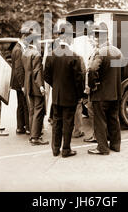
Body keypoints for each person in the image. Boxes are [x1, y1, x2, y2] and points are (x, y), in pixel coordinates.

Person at [44, 24, 85, 158]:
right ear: (67, 38)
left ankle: (55, 149)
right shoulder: (74, 57)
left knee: (57, 122)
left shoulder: (51, 55)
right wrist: (79, 95)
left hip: (56, 96)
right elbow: (79, 79)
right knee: (68, 123)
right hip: (70, 97)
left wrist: (56, 86)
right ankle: (66, 149)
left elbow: (47, 76)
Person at [87, 22, 123, 155]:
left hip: (101, 94)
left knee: (100, 121)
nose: (94, 40)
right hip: (115, 93)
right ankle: (115, 145)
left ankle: (102, 148)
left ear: (98, 37)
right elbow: (122, 70)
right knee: (114, 119)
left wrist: (92, 85)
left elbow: (91, 70)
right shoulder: (118, 51)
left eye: (94, 36)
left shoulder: (99, 52)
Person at [21, 27, 49, 146]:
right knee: (39, 111)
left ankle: (33, 135)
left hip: (28, 85)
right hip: (36, 86)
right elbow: (37, 71)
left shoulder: (25, 52)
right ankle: (35, 137)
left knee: (32, 110)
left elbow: (25, 70)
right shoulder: (36, 54)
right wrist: (41, 87)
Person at [10, 32, 30, 135]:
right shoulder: (18, 50)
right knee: (25, 104)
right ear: (24, 37)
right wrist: (23, 85)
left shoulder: (17, 48)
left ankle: (20, 127)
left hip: (17, 82)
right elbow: (18, 69)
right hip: (20, 82)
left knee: (21, 105)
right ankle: (27, 127)